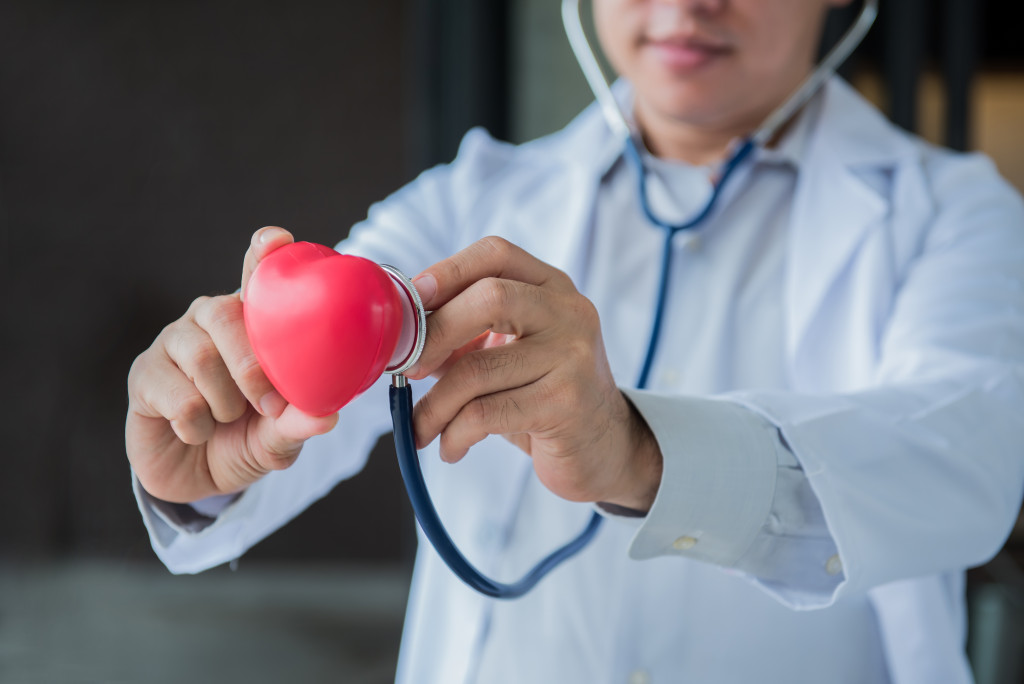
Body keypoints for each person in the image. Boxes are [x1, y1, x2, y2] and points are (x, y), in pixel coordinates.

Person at [125, 0, 1024, 682]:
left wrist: (637, 453)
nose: (689, 4)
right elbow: (322, 368)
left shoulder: (957, 214)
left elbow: (964, 465)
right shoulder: (468, 200)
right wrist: (217, 436)